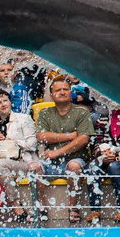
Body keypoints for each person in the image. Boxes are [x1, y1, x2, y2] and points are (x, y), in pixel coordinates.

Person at [27, 76, 94, 223]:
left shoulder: (82, 112)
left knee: (74, 166)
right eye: (58, 90)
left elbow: (83, 139)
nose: (62, 92)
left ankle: (73, 207)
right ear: (51, 95)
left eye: (65, 89)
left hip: (75, 158)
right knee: (33, 167)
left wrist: (57, 152)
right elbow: (42, 136)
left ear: (71, 93)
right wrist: (70, 135)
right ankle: (40, 207)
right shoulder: (45, 113)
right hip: (50, 162)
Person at [0, 89, 37, 221]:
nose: (3, 104)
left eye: (5, 100)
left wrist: (11, 141)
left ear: (10, 102)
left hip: (23, 161)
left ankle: (15, 203)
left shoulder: (24, 119)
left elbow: (32, 144)